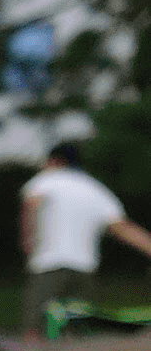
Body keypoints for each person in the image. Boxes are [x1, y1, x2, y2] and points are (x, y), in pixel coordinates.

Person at [20, 141, 151, 332]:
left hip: (49, 263)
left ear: (54, 161)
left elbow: (31, 205)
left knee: (36, 325)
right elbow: (124, 228)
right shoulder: (95, 189)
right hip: (84, 268)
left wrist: (28, 241)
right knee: (76, 328)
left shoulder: (45, 180)